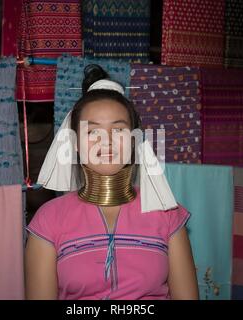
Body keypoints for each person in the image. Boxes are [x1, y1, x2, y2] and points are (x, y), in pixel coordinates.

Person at [25, 64, 199, 300]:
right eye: (92, 132)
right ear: (75, 144)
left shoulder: (167, 213)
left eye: (118, 131)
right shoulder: (48, 220)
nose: (106, 142)